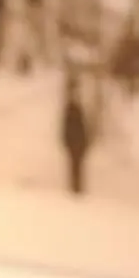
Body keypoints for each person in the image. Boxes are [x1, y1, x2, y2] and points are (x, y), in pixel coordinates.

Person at [61, 68, 94, 197]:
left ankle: (77, 186)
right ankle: (75, 187)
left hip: (79, 142)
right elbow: (67, 126)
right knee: (74, 165)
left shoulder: (77, 109)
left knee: (78, 165)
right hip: (74, 141)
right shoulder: (71, 109)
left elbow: (83, 127)